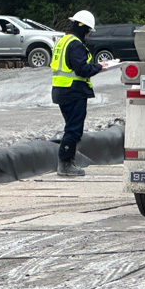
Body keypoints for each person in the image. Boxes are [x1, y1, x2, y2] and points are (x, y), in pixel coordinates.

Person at [51, 10, 111, 176]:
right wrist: (100, 66)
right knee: (73, 129)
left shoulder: (63, 41)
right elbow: (82, 69)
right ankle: (65, 165)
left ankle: (67, 162)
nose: (88, 34)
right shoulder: (75, 44)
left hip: (61, 91)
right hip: (73, 91)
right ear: (83, 27)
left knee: (70, 127)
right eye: (88, 30)